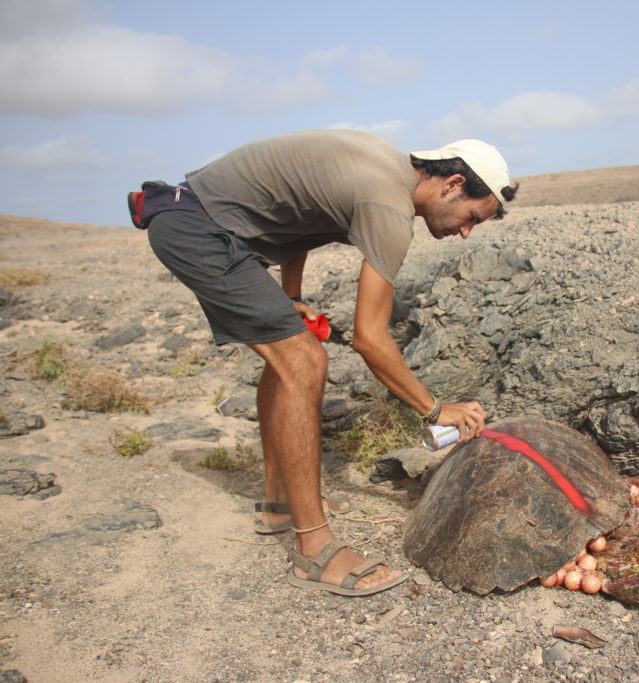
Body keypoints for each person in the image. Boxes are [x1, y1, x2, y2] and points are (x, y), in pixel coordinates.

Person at [140, 130, 518, 596]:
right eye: (471, 218)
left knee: (288, 355)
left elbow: (293, 222)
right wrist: (436, 409)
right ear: (454, 183)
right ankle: (314, 551)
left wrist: (291, 297)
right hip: (197, 228)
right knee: (304, 359)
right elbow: (369, 338)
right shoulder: (388, 205)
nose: (464, 232)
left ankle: (279, 503)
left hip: (201, 220)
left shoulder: (381, 170)